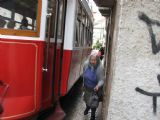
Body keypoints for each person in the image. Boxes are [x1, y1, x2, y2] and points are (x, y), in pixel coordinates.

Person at [83, 51, 104, 120]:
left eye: (94, 60)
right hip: (86, 88)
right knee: (87, 100)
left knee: (93, 103)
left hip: (94, 89)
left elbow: (101, 80)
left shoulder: (100, 68)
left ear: (97, 60)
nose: (92, 62)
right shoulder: (86, 64)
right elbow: (84, 75)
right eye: (91, 60)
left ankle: (92, 116)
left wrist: (98, 86)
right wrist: (84, 84)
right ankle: (87, 107)